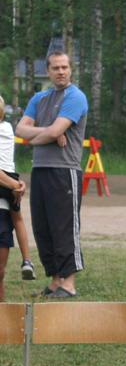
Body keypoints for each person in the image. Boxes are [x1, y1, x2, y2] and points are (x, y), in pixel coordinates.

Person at [15, 50, 88, 298]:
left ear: (71, 69)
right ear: (48, 71)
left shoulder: (76, 97)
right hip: (40, 169)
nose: (61, 72)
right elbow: (20, 128)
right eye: (56, 68)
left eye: (65, 67)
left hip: (65, 171)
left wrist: (37, 136)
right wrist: (49, 133)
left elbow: (39, 132)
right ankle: (56, 281)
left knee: (64, 227)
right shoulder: (39, 98)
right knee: (43, 227)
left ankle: (69, 283)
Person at [0, 95, 36, 280]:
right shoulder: (7, 128)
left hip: (2, 178)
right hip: (12, 177)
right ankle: (27, 260)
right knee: (18, 219)